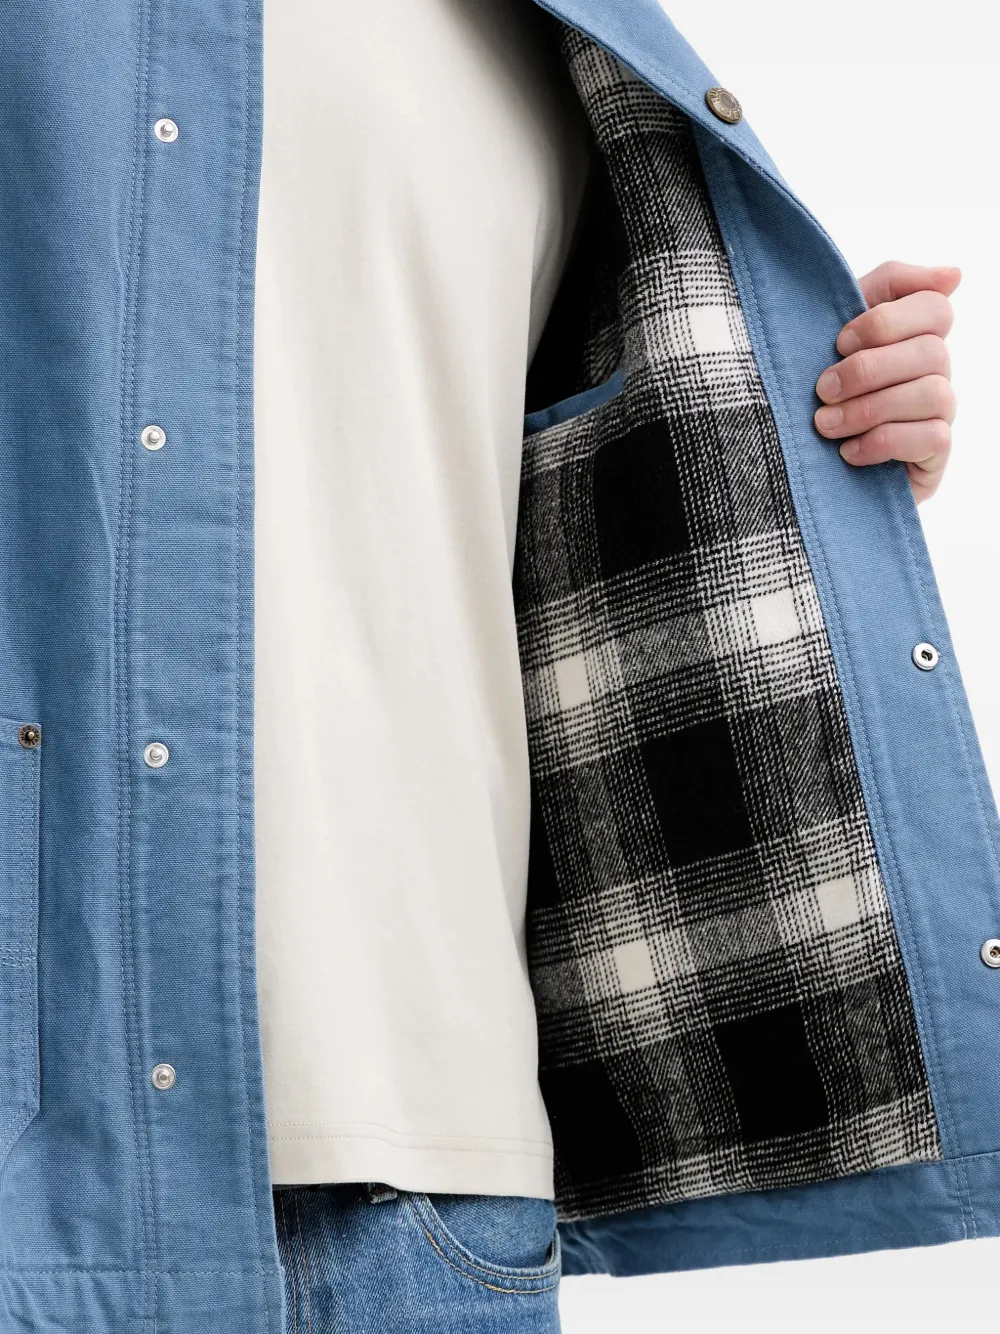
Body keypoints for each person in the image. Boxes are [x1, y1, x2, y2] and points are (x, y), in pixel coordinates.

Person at [0, 2, 987, 1333]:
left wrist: (813, 451)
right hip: (49, 1156)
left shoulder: (565, 40)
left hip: (445, 1195)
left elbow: (535, 519)